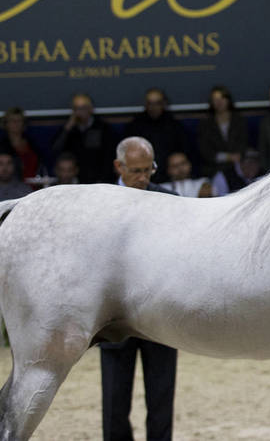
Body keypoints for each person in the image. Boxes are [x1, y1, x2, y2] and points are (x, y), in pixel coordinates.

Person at [100, 137, 178, 441]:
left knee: (161, 396)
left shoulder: (170, 202)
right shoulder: (100, 204)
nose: (143, 178)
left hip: (160, 313)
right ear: (119, 166)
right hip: (115, 315)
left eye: (149, 170)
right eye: (136, 171)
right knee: (114, 399)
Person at [124, 88, 190, 184]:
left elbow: (183, 151)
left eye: (157, 103)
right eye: (150, 103)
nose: (153, 107)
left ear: (163, 104)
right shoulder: (135, 126)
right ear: (146, 105)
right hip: (142, 175)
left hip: (170, 177)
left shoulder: (174, 125)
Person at [51, 93, 118, 184]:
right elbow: (55, 149)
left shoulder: (103, 129)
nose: (79, 112)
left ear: (91, 109)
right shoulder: (70, 129)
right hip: (73, 180)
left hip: (98, 180)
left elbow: (109, 157)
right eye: (76, 108)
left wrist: (103, 180)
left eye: (83, 108)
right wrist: (67, 129)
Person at [197, 85, 250, 179]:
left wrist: (238, 156)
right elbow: (205, 151)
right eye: (215, 99)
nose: (219, 102)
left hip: (239, 166)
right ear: (211, 102)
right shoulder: (205, 123)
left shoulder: (239, 120)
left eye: (222, 98)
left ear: (228, 100)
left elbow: (244, 144)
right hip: (213, 168)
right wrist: (227, 157)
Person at [0, 107, 44, 184]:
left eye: (19, 120)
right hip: (12, 187)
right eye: (12, 121)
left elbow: (40, 165)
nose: (16, 123)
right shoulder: (0, 146)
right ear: (6, 124)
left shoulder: (32, 143)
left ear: (23, 123)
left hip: (35, 185)